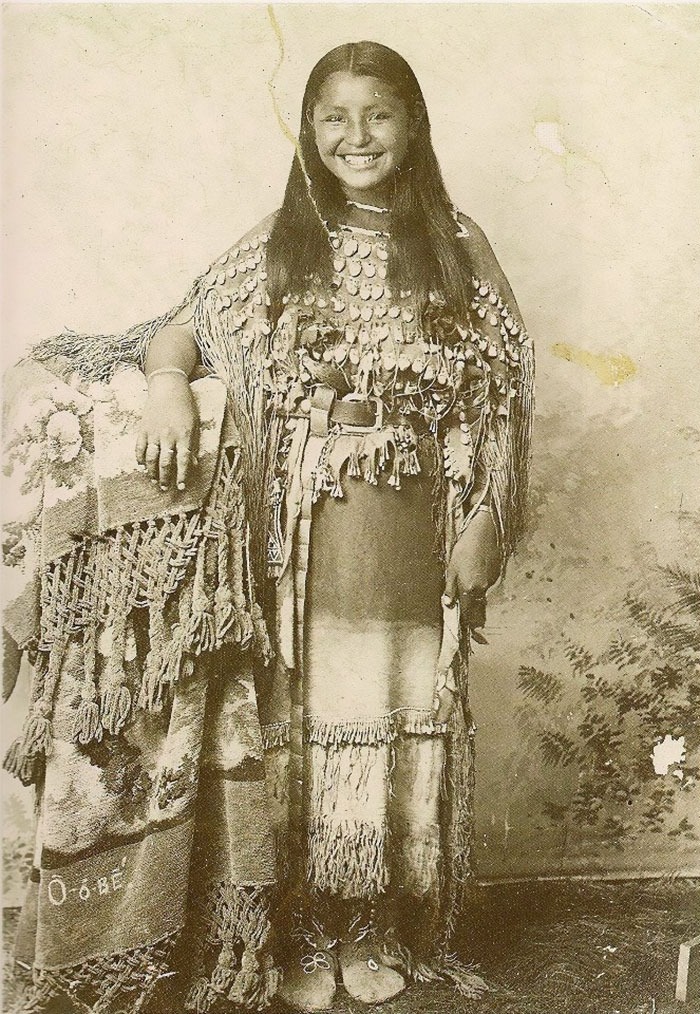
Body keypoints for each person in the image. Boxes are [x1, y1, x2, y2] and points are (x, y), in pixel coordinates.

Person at [3, 40, 533, 1014]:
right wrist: (169, 384)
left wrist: (487, 521)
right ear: (308, 130)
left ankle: (371, 925)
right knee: (302, 729)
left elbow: (502, 402)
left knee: (391, 719)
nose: (356, 136)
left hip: (411, 533)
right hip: (298, 542)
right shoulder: (282, 243)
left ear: (414, 124)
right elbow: (177, 327)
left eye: (378, 114)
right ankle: (303, 930)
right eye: (334, 116)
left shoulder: (457, 245)